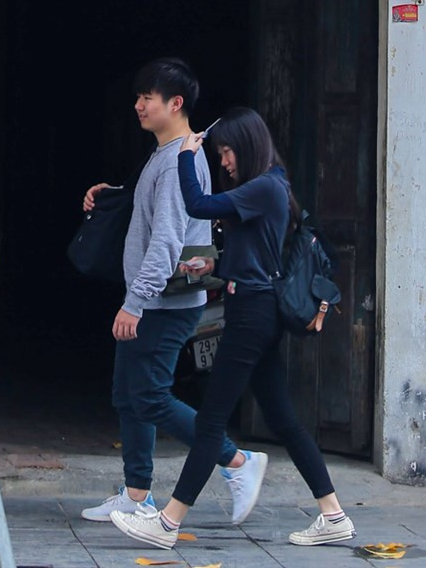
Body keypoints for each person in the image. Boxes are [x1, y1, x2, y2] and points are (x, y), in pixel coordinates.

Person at [110, 106, 355, 549]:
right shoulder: (269, 187)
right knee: (283, 419)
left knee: (211, 422)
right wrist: (215, 263)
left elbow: (197, 204)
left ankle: (166, 522)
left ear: (246, 146)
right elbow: (256, 255)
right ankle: (333, 513)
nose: (222, 162)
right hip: (254, 309)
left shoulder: (263, 186)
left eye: (226, 153)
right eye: (218, 153)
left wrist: (187, 155)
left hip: (251, 316)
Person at [80, 61, 267, 526]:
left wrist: (134, 303)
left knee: (150, 396)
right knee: (129, 395)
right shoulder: (165, 154)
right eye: (138, 97)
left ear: (175, 103)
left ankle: (237, 462)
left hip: (165, 303)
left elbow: (167, 238)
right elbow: (156, 214)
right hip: (156, 300)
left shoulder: (180, 159)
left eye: (148, 97)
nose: (139, 106)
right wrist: (113, 194)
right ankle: (136, 492)